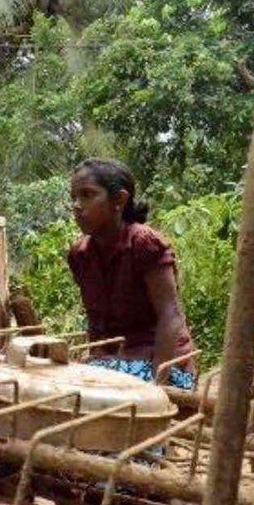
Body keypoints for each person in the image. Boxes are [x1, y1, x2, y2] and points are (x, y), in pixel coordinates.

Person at [67, 158, 196, 388]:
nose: (77, 205)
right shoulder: (80, 254)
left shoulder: (144, 243)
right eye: (74, 197)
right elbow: (96, 322)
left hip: (159, 361)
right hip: (112, 361)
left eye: (87, 195)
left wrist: (159, 380)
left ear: (119, 200)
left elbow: (170, 314)